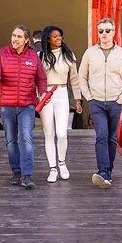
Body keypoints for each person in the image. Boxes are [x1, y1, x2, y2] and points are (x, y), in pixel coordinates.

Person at [0, 25, 47, 189]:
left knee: (26, 138)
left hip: (27, 105)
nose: (15, 39)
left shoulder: (33, 56)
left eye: (19, 36)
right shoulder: (1, 54)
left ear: (26, 40)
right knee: (11, 140)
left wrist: (43, 92)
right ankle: (16, 172)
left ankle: (27, 175)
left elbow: (41, 78)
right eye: (13, 35)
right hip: (7, 105)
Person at [79, 18, 122, 188]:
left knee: (111, 138)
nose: (104, 34)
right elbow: (82, 77)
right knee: (101, 135)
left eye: (107, 30)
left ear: (114, 32)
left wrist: (121, 98)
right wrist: (89, 97)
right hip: (96, 102)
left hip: (115, 102)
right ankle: (103, 171)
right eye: (101, 31)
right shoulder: (90, 53)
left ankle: (107, 173)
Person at [38, 26, 83, 183]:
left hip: (62, 93)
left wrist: (77, 100)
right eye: (55, 36)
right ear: (48, 39)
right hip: (45, 95)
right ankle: (52, 168)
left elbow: (74, 79)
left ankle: (62, 163)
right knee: (49, 134)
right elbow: (36, 78)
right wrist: (38, 96)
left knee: (62, 133)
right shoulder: (40, 55)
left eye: (60, 36)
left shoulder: (69, 55)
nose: (59, 38)